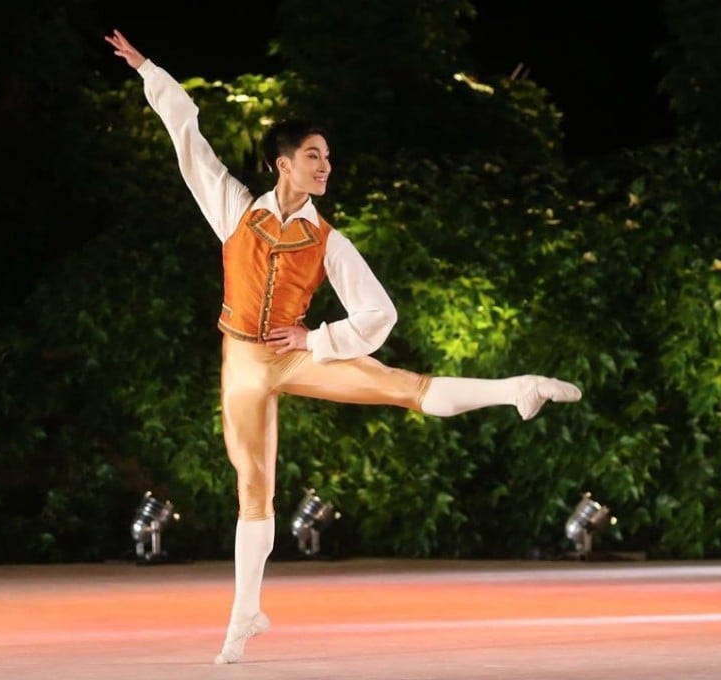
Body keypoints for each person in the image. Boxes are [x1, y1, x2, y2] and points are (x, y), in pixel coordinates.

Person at [105, 29, 582, 664]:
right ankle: (245, 615)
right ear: (283, 163)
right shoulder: (234, 210)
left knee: (399, 386)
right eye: (313, 155)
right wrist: (148, 71)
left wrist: (318, 338)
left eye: (327, 156)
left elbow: (379, 313)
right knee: (254, 489)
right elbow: (187, 138)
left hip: (299, 356)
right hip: (243, 363)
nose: (325, 165)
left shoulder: (328, 239)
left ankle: (517, 389)